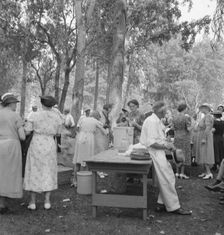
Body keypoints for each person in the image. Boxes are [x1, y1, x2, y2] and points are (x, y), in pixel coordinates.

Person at [140, 101, 192, 215]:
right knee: (167, 178)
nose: (167, 112)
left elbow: (157, 139)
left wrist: (166, 143)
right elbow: (151, 143)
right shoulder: (152, 121)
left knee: (168, 177)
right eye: (166, 110)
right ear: (161, 111)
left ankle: (161, 204)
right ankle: (173, 207)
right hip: (153, 152)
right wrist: (167, 146)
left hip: (158, 151)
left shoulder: (156, 120)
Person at [24, 95, 63, 210]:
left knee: (34, 168)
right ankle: (47, 201)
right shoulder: (57, 117)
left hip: (36, 142)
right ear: (52, 105)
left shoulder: (34, 115)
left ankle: (32, 202)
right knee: (48, 169)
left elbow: (27, 131)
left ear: (42, 104)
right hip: (50, 143)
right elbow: (58, 133)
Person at [0, 93, 25, 214]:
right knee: (9, 172)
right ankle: (2, 203)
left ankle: (2, 202)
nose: (16, 105)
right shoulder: (16, 116)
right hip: (12, 145)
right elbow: (22, 136)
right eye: (15, 103)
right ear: (10, 103)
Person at [72, 110, 108, 186]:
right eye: (99, 117)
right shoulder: (95, 121)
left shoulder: (83, 119)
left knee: (78, 160)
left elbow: (77, 128)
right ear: (96, 116)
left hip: (80, 138)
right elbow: (104, 131)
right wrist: (107, 130)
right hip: (89, 139)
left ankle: (75, 181)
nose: (99, 118)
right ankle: (86, 182)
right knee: (88, 159)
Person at [172, 103, 191, 179]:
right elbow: (188, 128)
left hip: (177, 136)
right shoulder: (186, 117)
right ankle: (182, 173)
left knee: (177, 153)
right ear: (185, 109)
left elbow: (173, 128)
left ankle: (177, 172)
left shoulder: (174, 117)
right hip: (184, 137)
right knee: (183, 154)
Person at [196, 103, 215, 179]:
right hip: (202, 135)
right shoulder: (205, 116)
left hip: (205, 137)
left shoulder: (208, 116)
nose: (201, 109)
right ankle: (205, 172)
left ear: (206, 108)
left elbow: (208, 128)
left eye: (203, 108)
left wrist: (204, 138)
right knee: (202, 153)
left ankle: (209, 173)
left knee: (205, 153)